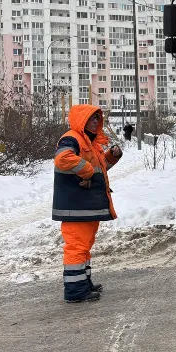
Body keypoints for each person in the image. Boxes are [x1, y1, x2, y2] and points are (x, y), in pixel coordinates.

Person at [53, 106, 122, 303]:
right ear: (81, 120)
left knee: (84, 246)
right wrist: (87, 171)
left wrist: (111, 156)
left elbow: (100, 168)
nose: (95, 122)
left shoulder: (90, 143)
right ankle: (75, 291)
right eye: (91, 119)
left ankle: (83, 283)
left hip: (85, 205)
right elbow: (63, 159)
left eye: (96, 119)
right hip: (76, 205)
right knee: (76, 246)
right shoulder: (72, 138)